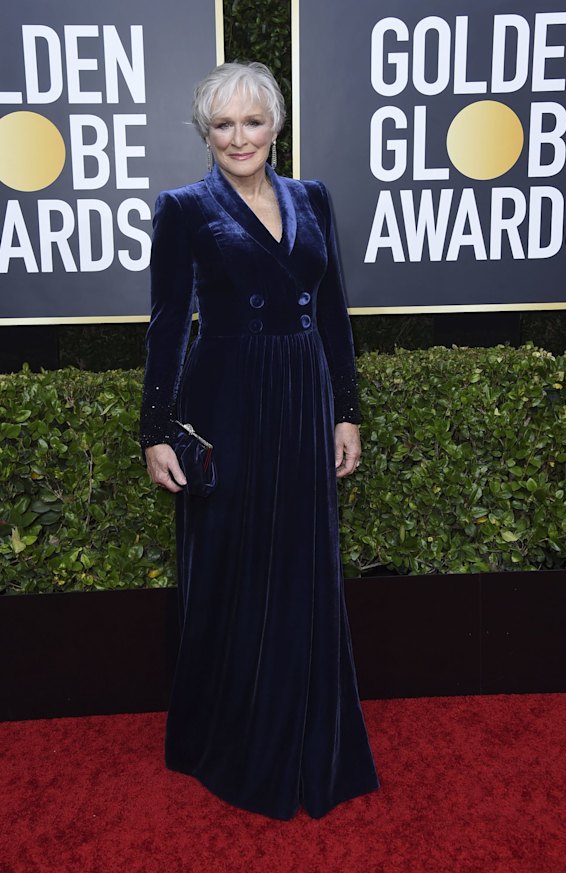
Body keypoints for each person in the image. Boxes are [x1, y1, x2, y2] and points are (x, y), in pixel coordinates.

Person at [140, 61, 379, 820]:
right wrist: (159, 430)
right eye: (223, 124)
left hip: (304, 400)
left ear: (275, 125)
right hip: (228, 403)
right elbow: (169, 324)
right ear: (204, 132)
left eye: (253, 121)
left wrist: (346, 409)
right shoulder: (184, 208)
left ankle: (308, 736)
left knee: (302, 566)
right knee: (231, 567)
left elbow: (334, 308)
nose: (239, 137)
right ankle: (229, 737)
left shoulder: (313, 198)